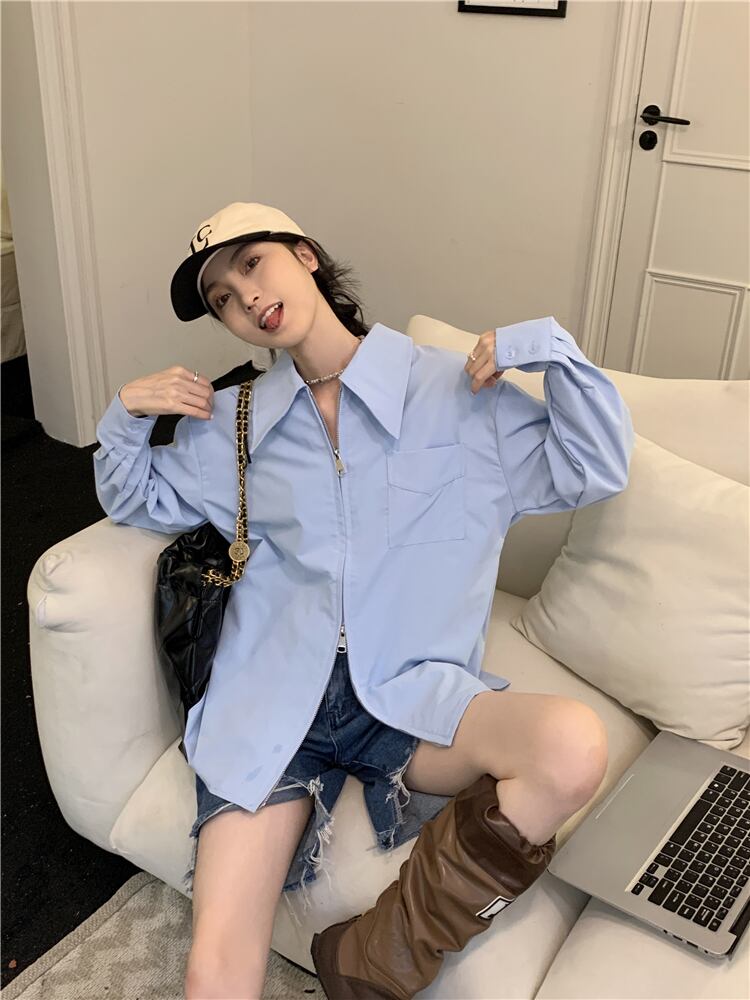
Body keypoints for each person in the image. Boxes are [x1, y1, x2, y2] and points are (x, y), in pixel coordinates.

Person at [92, 202, 635, 1000]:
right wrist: (127, 413)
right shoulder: (237, 426)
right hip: (272, 701)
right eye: (221, 299)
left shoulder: (455, 392)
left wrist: (541, 347)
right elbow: (134, 496)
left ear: (305, 254)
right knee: (214, 971)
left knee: (571, 746)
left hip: (407, 695)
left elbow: (596, 464)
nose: (246, 298)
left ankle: (375, 959)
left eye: (253, 263)